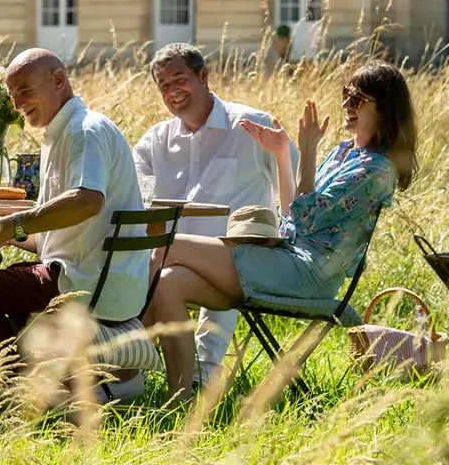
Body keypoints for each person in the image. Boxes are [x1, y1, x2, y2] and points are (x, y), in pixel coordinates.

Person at [143, 61, 419, 399]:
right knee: (169, 282)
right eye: (346, 95)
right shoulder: (346, 152)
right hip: (286, 256)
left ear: (385, 108)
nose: (347, 105)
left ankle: (125, 358)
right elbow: (293, 214)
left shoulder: (376, 171)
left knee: (168, 244)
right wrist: (281, 155)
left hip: (308, 274)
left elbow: (303, 216)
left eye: (358, 100)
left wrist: (307, 150)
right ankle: (180, 399)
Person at [0, 49, 148, 395]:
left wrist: (7, 227)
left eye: (24, 90)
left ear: (58, 80)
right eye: (12, 95)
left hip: (85, 283)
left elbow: (87, 201)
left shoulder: (84, 131)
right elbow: (51, 234)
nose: (17, 103)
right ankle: (63, 384)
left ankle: (21, 390)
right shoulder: (61, 133)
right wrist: (0, 232)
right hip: (111, 284)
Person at [125, 42, 299, 389]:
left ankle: (150, 368)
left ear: (204, 76)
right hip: (170, 260)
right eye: (164, 85)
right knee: (149, 264)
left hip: (236, 260)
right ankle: (136, 370)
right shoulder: (156, 140)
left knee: (167, 259)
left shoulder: (251, 126)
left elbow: (295, 193)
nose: (173, 91)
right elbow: (130, 194)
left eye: (180, 79)